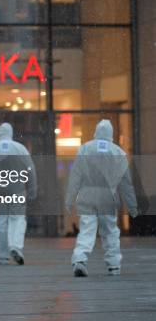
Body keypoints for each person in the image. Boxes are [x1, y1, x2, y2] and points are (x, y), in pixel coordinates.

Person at [65, 119, 139, 277]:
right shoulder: (118, 152)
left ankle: (80, 259)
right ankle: (113, 265)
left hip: (87, 195)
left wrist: (69, 199)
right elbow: (126, 184)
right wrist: (132, 206)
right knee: (110, 231)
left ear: (96, 132)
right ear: (111, 134)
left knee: (87, 229)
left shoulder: (85, 149)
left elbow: (75, 177)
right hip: (107, 196)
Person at [0, 122, 37, 265]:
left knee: (1, 222)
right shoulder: (20, 148)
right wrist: (32, 189)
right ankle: (15, 246)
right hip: (17, 188)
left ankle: (2, 256)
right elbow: (30, 170)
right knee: (17, 219)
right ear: (10, 133)